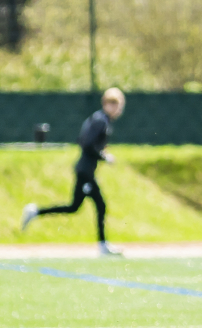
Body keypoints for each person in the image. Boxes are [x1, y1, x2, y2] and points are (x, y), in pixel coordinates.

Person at [21, 88, 126, 256]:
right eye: (117, 105)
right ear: (108, 104)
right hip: (85, 171)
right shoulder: (101, 121)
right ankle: (102, 245)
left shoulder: (100, 119)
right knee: (97, 205)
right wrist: (104, 156)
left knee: (75, 207)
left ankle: (35, 212)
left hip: (87, 170)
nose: (119, 109)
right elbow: (87, 144)